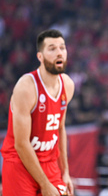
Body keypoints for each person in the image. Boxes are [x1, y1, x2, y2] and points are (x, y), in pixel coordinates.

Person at [1, 29, 74, 196]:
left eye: (62, 48)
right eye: (52, 48)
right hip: (20, 163)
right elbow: (21, 144)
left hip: (49, 163)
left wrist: (65, 172)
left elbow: (60, 129)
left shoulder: (68, 85)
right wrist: (44, 184)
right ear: (40, 57)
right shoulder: (26, 87)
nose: (59, 53)